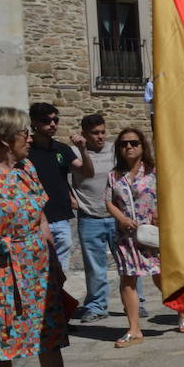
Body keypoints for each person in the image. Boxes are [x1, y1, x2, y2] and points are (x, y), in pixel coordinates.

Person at [0, 108, 83, 367]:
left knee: (50, 337)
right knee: (1, 342)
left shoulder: (27, 167)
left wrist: (54, 263)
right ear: (4, 139)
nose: (30, 137)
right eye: (23, 132)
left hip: (37, 264)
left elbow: (41, 215)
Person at [104, 129, 163, 348]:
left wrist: (159, 211)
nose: (129, 147)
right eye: (123, 144)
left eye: (134, 143)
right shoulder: (114, 175)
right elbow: (109, 201)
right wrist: (120, 218)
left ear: (142, 146)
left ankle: (182, 309)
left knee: (161, 277)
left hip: (151, 234)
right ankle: (134, 329)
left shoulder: (154, 172)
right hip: (126, 237)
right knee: (127, 279)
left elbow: (167, 195)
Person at [28, 102, 94, 274]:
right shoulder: (25, 150)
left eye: (55, 120)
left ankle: (58, 300)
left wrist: (83, 149)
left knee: (61, 271)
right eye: (46, 121)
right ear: (34, 122)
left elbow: (86, 171)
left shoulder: (62, 149)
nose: (52, 124)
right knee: (38, 268)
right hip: (35, 219)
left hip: (61, 217)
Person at [71, 113, 121, 321]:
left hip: (116, 216)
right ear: (84, 134)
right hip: (90, 216)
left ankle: (137, 303)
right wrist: (71, 198)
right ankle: (97, 306)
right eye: (95, 133)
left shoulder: (115, 150)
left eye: (102, 132)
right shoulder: (74, 153)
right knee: (95, 267)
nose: (100, 136)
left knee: (127, 263)